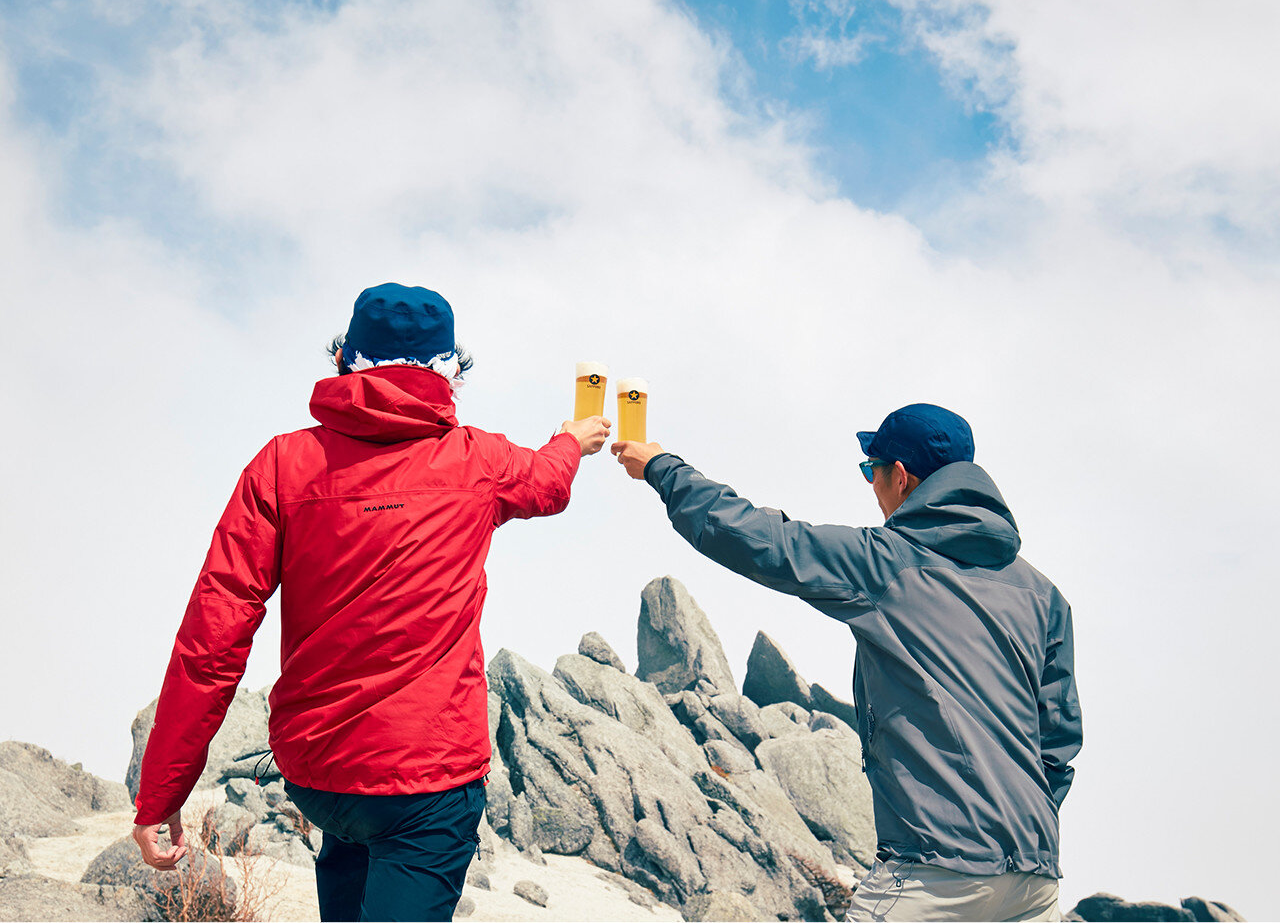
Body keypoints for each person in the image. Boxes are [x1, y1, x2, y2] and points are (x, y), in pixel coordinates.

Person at [132, 283, 611, 922]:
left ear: (345, 360)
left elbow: (212, 639)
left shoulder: (281, 465)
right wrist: (571, 440)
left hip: (321, 776)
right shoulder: (480, 460)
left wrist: (162, 791)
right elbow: (548, 483)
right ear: (449, 372)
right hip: (427, 779)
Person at [613, 403, 1082, 923]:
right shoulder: (1044, 595)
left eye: (870, 470)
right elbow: (1058, 742)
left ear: (901, 477)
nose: (871, 485)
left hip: (937, 869)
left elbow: (760, 538)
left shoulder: (888, 560)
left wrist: (662, 467)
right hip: (1034, 876)